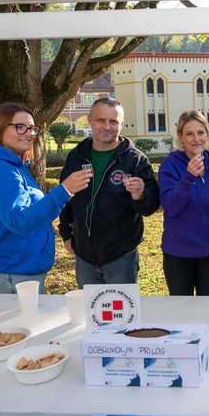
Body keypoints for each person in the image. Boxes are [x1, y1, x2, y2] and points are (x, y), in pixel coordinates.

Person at [0, 103, 92, 298]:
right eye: (20, 127)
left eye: (31, 128)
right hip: (11, 274)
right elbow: (20, 221)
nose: (28, 133)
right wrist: (64, 190)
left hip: (21, 272)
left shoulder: (13, 167)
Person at [59, 97, 159, 287]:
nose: (107, 127)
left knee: (123, 314)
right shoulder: (76, 157)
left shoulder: (135, 160)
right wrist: (66, 234)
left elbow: (150, 207)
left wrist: (140, 195)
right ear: (89, 120)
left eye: (113, 121)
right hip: (84, 257)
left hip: (121, 256)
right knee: (91, 314)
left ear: (121, 123)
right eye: (100, 120)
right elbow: (65, 198)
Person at [159, 110, 209, 296]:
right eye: (189, 133)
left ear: (207, 134)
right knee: (183, 312)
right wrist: (189, 177)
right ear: (181, 137)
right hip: (179, 253)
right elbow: (170, 207)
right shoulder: (170, 164)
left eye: (200, 132)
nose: (196, 138)